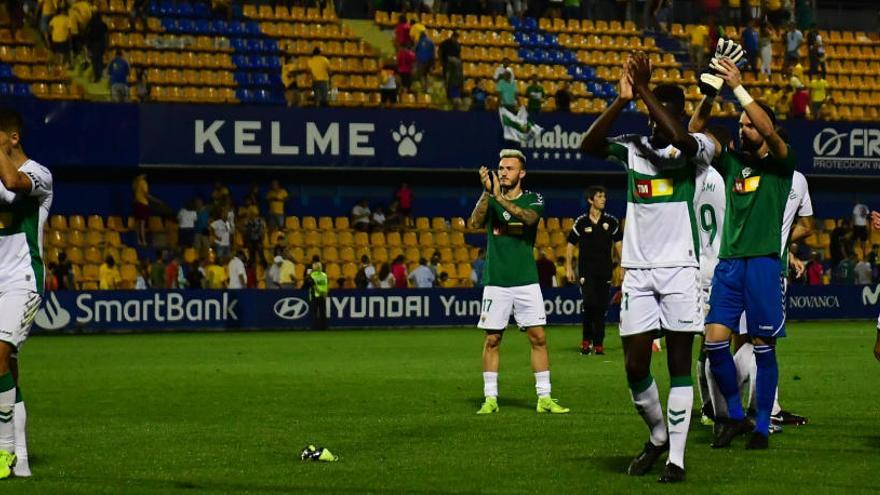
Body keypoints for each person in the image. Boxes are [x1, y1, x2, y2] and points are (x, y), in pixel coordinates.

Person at [581, 52, 713, 482]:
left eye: (663, 112)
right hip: (638, 272)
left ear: (672, 113)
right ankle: (658, 437)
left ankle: (676, 458)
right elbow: (587, 146)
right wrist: (622, 100)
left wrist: (644, 92)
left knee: (678, 363)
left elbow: (683, 137)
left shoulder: (695, 148)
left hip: (679, 269)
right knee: (635, 366)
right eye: (653, 112)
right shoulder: (633, 149)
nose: (656, 121)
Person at [688, 54, 795, 450]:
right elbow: (694, 130)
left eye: (749, 124)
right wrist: (713, 90)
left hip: (765, 265)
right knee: (715, 342)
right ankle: (733, 414)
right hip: (729, 267)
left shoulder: (782, 165)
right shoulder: (732, 164)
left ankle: (763, 424)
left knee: (763, 348)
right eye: (741, 123)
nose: (742, 127)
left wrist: (739, 87)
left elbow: (771, 131)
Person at [468, 148, 569, 416]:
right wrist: (488, 194)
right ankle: (490, 398)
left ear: (521, 173)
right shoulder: (492, 198)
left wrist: (499, 198)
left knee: (538, 338)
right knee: (492, 339)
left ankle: (544, 397)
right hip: (496, 281)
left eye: (509, 168)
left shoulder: (533, 199)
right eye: (501, 168)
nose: (503, 172)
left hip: (526, 280)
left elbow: (529, 219)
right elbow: (474, 223)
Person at [0, 107, 54, 478]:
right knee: (8, 371)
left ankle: (3, 451)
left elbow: (13, 182)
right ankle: (21, 459)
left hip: (24, 278)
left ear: (12, 138)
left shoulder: (39, 174)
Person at [566, 185, 622, 356]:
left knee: (601, 308)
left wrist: (623, 267)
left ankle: (598, 344)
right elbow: (569, 246)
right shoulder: (581, 222)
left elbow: (619, 246)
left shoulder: (611, 222)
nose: (604, 199)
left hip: (605, 271)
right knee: (589, 305)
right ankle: (586, 340)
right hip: (586, 272)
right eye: (599, 196)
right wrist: (569, 267)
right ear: (591, 200)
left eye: (604, 196)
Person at [303, 261, 329, 329]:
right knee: (322, 312)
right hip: (323, 295)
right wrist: (325, 294)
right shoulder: (324, 275)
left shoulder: (312, 275)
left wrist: (308, 274)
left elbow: (309, 283)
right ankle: (324, 327)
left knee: (314, 312)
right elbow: (326, 285)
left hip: (315, 295)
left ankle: (314, 327)